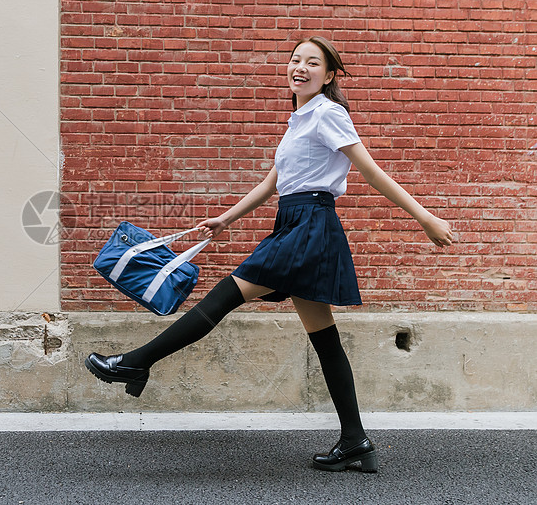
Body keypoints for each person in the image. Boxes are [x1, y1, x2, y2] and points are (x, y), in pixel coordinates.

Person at [85, 36, 454, 473]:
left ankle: (135, 362)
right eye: (295, 60)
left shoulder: (328, 113)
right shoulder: (298, 119)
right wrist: (225, 219)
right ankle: (355, 441)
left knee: (225, 294)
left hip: (312, 224)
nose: (300, 67)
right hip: (296, 221)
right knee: (324, 337)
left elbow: (370, 170)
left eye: (312, 63)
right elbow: (271, 184)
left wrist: (425, 217)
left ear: (330, 74)